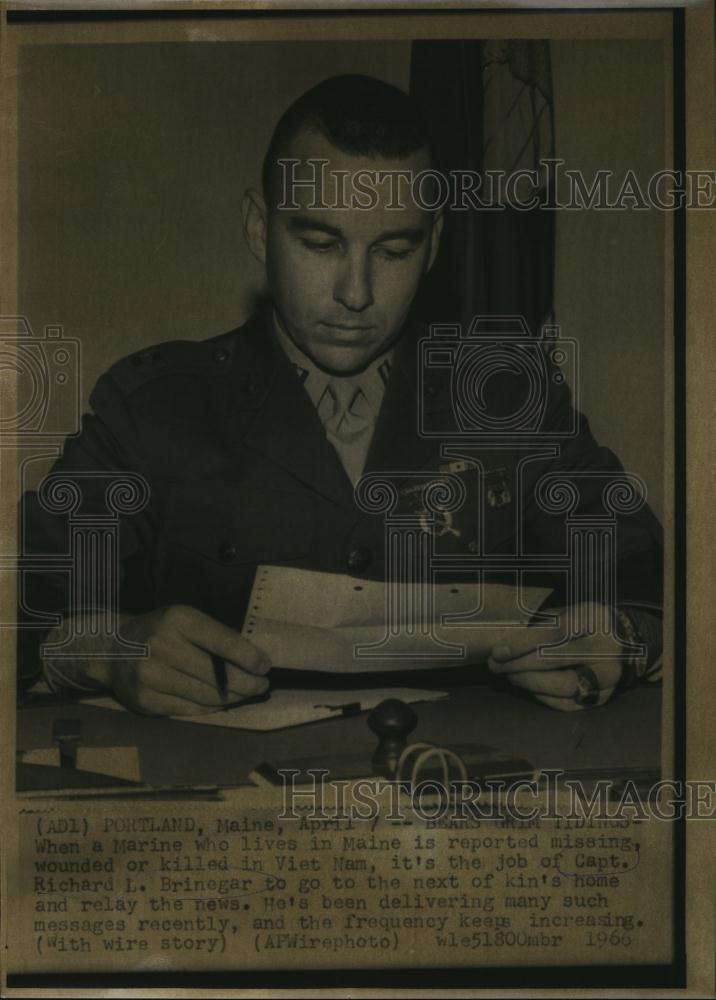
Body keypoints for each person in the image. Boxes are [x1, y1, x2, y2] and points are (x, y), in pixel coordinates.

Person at [18, 74, 663, 716]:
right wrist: (110, 650)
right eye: (321, 244)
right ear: (257, 227)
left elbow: (646, 577)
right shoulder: (153, 409)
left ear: (434, 243)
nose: (356, 294)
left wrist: (622, 640)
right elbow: (27, 602)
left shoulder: (505, 397)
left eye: (394, 250)